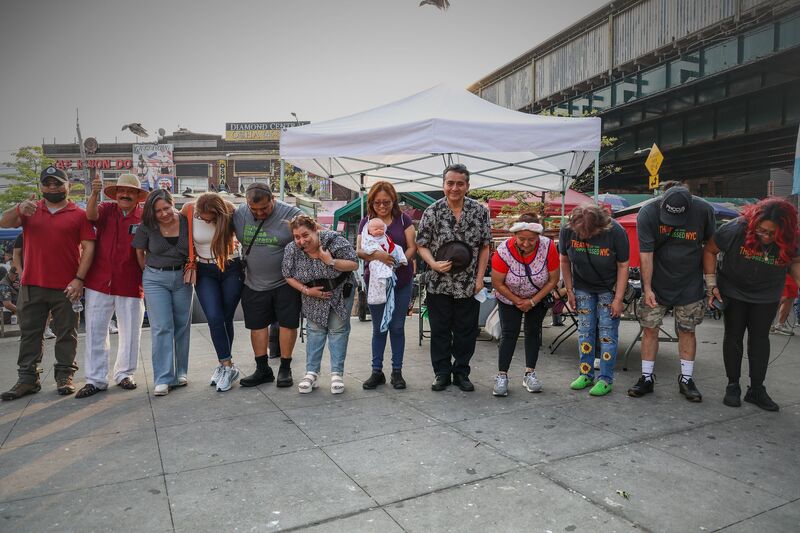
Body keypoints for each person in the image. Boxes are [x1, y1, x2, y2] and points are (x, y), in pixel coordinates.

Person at [0, 166, 96, 401]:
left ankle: (64, 376)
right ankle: (27, 379)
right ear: (41, 186)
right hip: (32, 284)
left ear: (68, 186)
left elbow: (89, 247)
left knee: (67, 333)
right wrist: (18, 207)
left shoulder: (78, 214)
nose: (52, 187)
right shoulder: (30, 209)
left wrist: (79, 279)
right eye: (47, 183)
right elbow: (4, 221)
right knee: (30, 334)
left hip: (67, 286)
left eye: (57, 183)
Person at [703, 198, 800, 411]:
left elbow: (794, 262)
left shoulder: (793, 238)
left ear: (783, 230)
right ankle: (733, 385)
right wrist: (711, 285)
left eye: (771, 233)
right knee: (733, 335)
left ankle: (756, 389)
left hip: (767, 295)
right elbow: (710, 249)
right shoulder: (737, 228)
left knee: (759, 340)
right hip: (734, 291)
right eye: (761, 231)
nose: (765, 236)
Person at [627, 185, 715, 402]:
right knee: (649, 329)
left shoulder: (704, 210)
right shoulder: (648, 213)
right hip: (657, 283)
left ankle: (686, 379)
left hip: (690, 284)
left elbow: (710, 247)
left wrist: (710, 283)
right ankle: (647, 377)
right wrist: (647, 288)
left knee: (687, 330)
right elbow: (645, 254)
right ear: (662, 203)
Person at [416, 164, 492, 392]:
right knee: (439, 330)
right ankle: (441, 373)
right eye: (450, 183)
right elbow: (421, 245)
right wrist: (432, 263)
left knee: (466, 330)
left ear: (467, 186)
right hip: (438, 283)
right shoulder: (432, 211)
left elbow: (485, 247)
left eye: (460, 183)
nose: (455, 188)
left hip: (468, 284)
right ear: (443, 185)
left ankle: (461, 372)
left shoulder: (480, 211)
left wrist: (480, 279)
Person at [76, 173, 148, 398]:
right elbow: (90, 215)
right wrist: (94, 193)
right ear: (116, 194)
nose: (125, 195)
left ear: (137, 195)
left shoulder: (144, 216)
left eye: (130, 192)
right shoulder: (106, 209)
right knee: (96, 330)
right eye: (122, 191)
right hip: (99, 281)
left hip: (130, 281)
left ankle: (125, 373)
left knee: (130, 331)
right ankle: (95, 379)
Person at [233, 183, 302, 388]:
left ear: (273, 199)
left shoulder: (291, 213)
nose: (260, 213)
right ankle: (262, 369)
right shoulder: (238, 214)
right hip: (253, 282)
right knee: (257, 325)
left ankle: (285, 368)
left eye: (264, 208)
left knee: (288, 324)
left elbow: (312, 236)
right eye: (254, 209)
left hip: (286, 281)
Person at [559, 204, 630, 396]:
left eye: (589, 233)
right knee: (585, 331)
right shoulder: (567, 229)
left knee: (607, 334)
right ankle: (585, 373)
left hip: (608, 288)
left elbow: (624, 266)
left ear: (601, 226)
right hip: (582, 287)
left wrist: (618, 299)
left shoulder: (616, 231)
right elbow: (564, 260)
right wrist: (570, 290)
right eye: (580, 232)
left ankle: (606, 378)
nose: (584, 236)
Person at [282, 215, 358, 394]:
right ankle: (311, 373)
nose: (302, 241)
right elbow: (287, 274)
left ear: (315, 230)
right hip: (311, 294)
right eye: (297, 237)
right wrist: (306, 291)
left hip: (339, 291)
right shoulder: (292, 249)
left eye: (305, 235)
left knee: (338, 330)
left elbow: (354, 264)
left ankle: (336, 374)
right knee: (315, 331)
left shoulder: (334, 241)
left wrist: (330, 261)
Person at [490, 214, 559, 397]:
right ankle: (502, 375)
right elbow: (497, 283)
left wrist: (532, 301)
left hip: (538, 296)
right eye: (522, 239)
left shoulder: (548, 246)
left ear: (538, 237)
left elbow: (553, 280)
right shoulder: (503, 250)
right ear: (515, 236)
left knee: (532, 332)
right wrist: (517, 300)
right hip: (508, 296)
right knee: (509, 333)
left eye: (531, 240)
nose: (526, 244)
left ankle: (530, 373)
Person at [357, 182, 417, 390]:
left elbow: (412, 248)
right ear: (372, 202)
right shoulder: (366, 222)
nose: (382, 206)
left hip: (401, 281)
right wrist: (379, 256)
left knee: (397, 327)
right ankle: (376, 371)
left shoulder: (404, 220)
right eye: (378, 202)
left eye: (387, 202)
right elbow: (359, 251)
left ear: (394, 201)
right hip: (375, 282)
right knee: (379, 328)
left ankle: (397, 372)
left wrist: (398, 261)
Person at [181, 192, 243, 392]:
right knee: (214, 317)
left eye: (211, 218)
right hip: (204, 269)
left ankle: (224, 364)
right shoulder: (188, 210)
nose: (206, 220)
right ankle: (228, 366)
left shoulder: (230, 211)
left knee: (225, 318)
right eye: (202, 216)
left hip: (231, 267)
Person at [132, 189, 191, 397]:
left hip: (182, 278)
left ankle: (180, 372)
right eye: (158, 211)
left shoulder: (185, 221)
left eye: (166, 208)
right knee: (162, 326)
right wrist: (149, 274)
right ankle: (163, 378)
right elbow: (139, 252)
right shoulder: (147, 226)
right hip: (155, 278)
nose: (163, 214)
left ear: (172, 204)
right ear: (152, 212)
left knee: (182, 325)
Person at [361, 218, 408, 304]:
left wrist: (393, 252)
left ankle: (401, 260)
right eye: (376, 229)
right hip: (376, 259)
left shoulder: (385, 237)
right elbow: (364, 248)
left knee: (399, 248)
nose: (379, 231)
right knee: (376, 267)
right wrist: (377, 254)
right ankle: (379, 294)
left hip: (390, 257)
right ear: (369, 231)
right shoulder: (369, 238)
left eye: (381, 229)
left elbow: (391, 245)